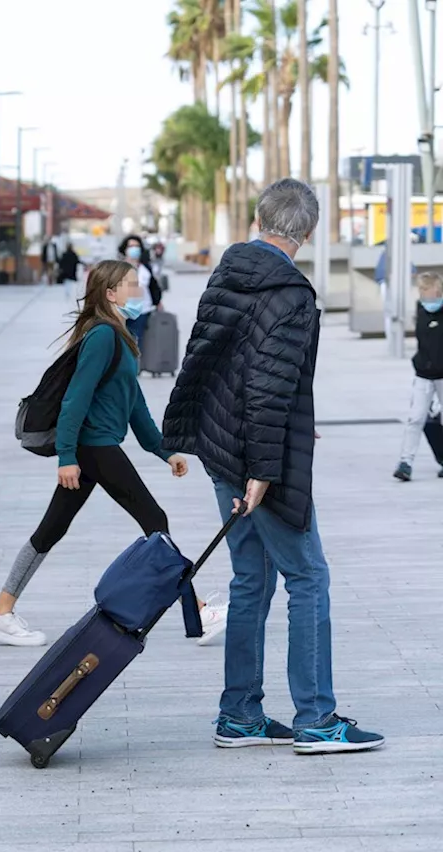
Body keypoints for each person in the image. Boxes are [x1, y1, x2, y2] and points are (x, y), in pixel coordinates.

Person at [163, 178, 384, 753]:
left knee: (251, 579)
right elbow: (264, 384)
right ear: (306, 233)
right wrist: (262, 470)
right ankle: (316, 719)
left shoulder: (227, 272)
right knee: (308, 576)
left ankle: (240, 716)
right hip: (261, 459)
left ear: (261, 220)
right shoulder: (291, 293)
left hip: (220, 449)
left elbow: (206, 360)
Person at [0, 260, 226, 647]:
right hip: (95, 447)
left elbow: (134, 403)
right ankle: (198, 611)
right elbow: (75, 398)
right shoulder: (102, 337)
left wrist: (165, 451)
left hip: (96, 447)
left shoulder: (120, 334)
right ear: (111, 293)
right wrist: (66, 457)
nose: (137, 288)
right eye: (130, 283)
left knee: (51, 528)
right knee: (154, 520)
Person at [394, 271, 443, 481]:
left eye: (425, 289)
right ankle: (406, 462)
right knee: (415, 418)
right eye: (420, 289)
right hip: (423, 374)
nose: (422, 293)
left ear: (437, 289)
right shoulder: (421, 309)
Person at [119, 235, 163, 357]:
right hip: (122, 309)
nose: (134, 248)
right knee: (122, 339)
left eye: (137, 246)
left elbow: (153, 286)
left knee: (136, 340)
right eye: (131, 246)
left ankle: (134, 367)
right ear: (125, 248)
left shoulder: (145, 267)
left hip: (142, 309)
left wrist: (158, 301)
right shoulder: (118, 267)